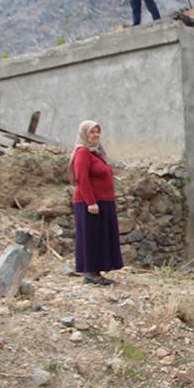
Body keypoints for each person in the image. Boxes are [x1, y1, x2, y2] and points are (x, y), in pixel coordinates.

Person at [68, 121, 123, 285]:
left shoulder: (96, 154)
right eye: (92, 132)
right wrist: (91, 202)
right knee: (91, 236)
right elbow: (82, 179)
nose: (96, 135)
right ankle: (90, 273)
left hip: (103, 201)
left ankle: (96, 271)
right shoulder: (83, 153)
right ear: (84, 134)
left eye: (98, 132)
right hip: (90, 203)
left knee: (100, 237)